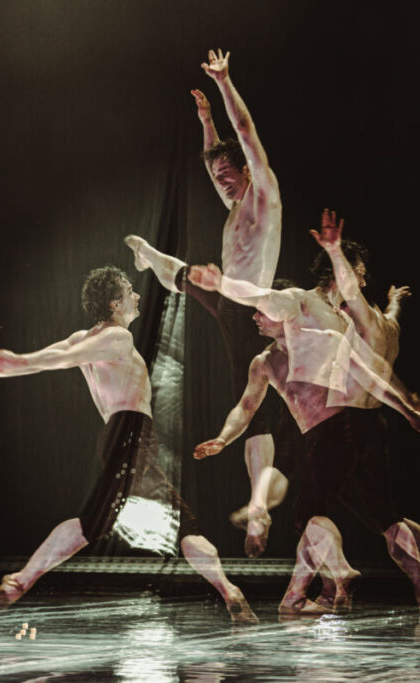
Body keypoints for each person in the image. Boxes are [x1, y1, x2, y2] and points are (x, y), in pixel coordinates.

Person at [0, 266, 257, 623]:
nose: (137, 296)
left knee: (157, 524)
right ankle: (20, 581)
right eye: (130, 291)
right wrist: (8, 364)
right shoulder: (118, 337)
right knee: (101, 524)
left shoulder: (85, 338)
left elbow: (44, 362)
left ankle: (229, 591)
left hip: (121, 438)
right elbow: (52, 360)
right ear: (114, 303)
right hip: (131, 436)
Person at [188, 270, 420, 613]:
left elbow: (372, 378)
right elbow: (245, 408)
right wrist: (223, 439)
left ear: (284, 312)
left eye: (262, 311)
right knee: (380, 517)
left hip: (341, 432)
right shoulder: (264, 362)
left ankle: (336, 576)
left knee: (307, 515)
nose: (255, 317)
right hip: (321, 440)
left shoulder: (325, 339)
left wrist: (407, 411)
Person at [124, 48, 282, 557]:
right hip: (231, 302)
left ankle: (258, 507)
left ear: (247, 169)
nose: (223, 181)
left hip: (253, 311)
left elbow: (247, 133)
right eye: (217, 177)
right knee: (188, 276)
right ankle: (150, 258)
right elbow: (216, 156)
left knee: (251, 405)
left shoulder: (262, 195)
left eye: (229, 173)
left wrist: (224, 84)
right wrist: (206, 121)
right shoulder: (235, 203)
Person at [310, 208, 420, 613]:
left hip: (349, 425)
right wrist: (394, 301)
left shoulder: (359, 320)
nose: (360, 280)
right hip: (365, 424)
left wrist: (335, 252)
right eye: (358, 272)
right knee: (384, 518)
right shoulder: (385, 324)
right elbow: (385, 347)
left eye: (359, 274)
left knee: (350, 514)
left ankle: (342, 588)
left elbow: (350, 295)